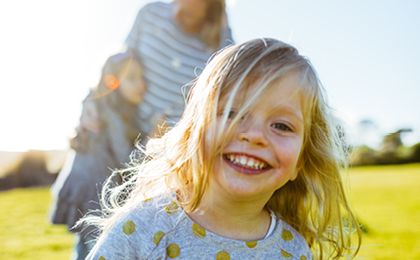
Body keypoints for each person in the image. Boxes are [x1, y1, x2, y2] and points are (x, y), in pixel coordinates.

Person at [83, 38, 362, 259]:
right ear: (194, 131)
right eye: (230, 113)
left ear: (301, 161)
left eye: (281, 126)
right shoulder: (143, 229)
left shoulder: (292, 251)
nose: (254, 136)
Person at [81, 0, 233, 142]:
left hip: (165, 147)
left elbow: (231, 86)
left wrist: (223, 26)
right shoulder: (151, 13)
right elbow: (118, 64)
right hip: (117, 127)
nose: (179, 8)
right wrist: (93, 99)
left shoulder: (219, 43)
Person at [49, 51, 146, 260]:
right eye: (131, 78)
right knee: (97, 249)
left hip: (83, 191)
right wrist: (152, 138)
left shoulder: (102, 107)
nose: (141, 84)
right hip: (94, 196)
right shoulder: (110, 114)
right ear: (112, 83)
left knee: (84, 249)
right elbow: (127, 161)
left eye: (142, 77)